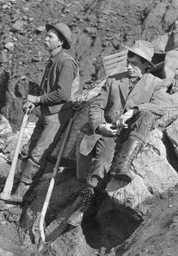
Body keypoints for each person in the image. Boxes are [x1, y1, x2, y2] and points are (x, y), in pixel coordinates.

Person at [68, 41, 168, 226]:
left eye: (135, 64)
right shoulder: (114, 79)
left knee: (144, 116)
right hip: (109, 132)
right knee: (103, 162)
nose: (129, 67)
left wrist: (136, 110)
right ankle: (84, 207)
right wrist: (100, 126)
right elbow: (96, 106)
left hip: (131, 135)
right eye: (128, 62)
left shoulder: (156, 84)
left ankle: (120, 168)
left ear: (146, 66)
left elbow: (163, 106)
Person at [10, 22, 79, 203]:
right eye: (46, 35)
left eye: (51, 37)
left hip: (57, 116)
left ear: (61, 42)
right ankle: (15, 186)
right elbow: (48, 89)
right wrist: (36, 103)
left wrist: (38, 100)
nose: (46, 39)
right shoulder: (52, 61)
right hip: (46, 113)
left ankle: (20, 196)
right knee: (28, 150)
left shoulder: (65, 62)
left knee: (38, 154)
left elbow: (63, 93)